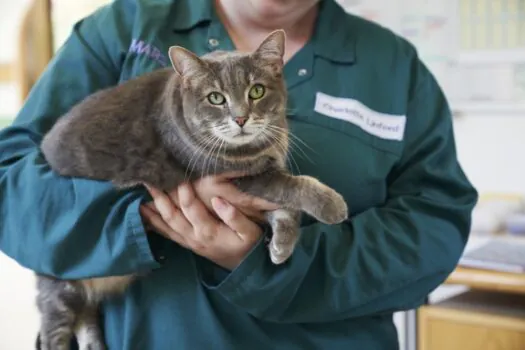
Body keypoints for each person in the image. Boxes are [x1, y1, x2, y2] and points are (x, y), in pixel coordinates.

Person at [0, 0, 478, 349]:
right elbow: (11, 189)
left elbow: (433, 229)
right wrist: (145, 212)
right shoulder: (124, 25)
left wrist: (270, 266)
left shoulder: (393, 66)